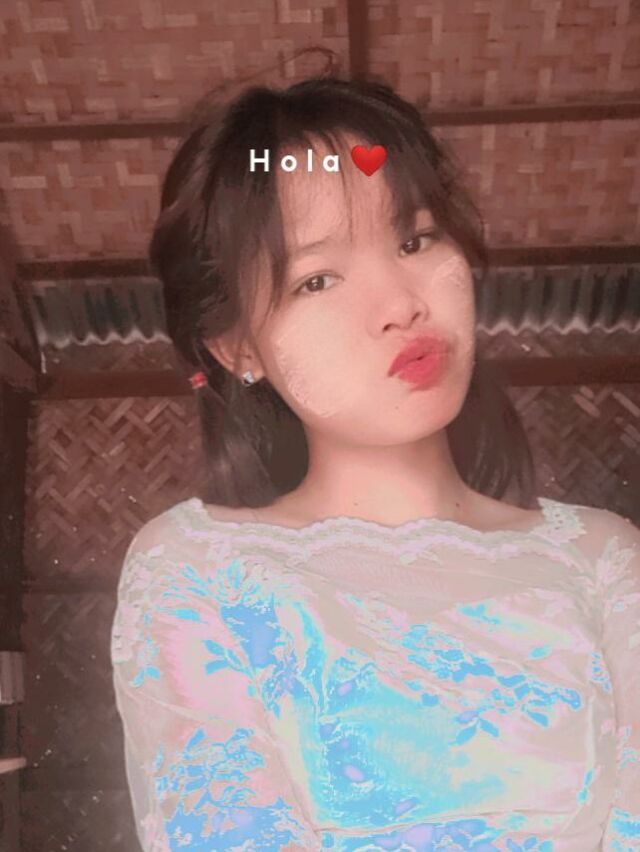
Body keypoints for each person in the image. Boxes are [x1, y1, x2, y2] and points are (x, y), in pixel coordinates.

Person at [110, 71, 640, 851]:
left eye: (415, 240)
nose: (401, 303)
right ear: (237, 347)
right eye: (318, 279)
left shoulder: (604, 562)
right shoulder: (197, 570)